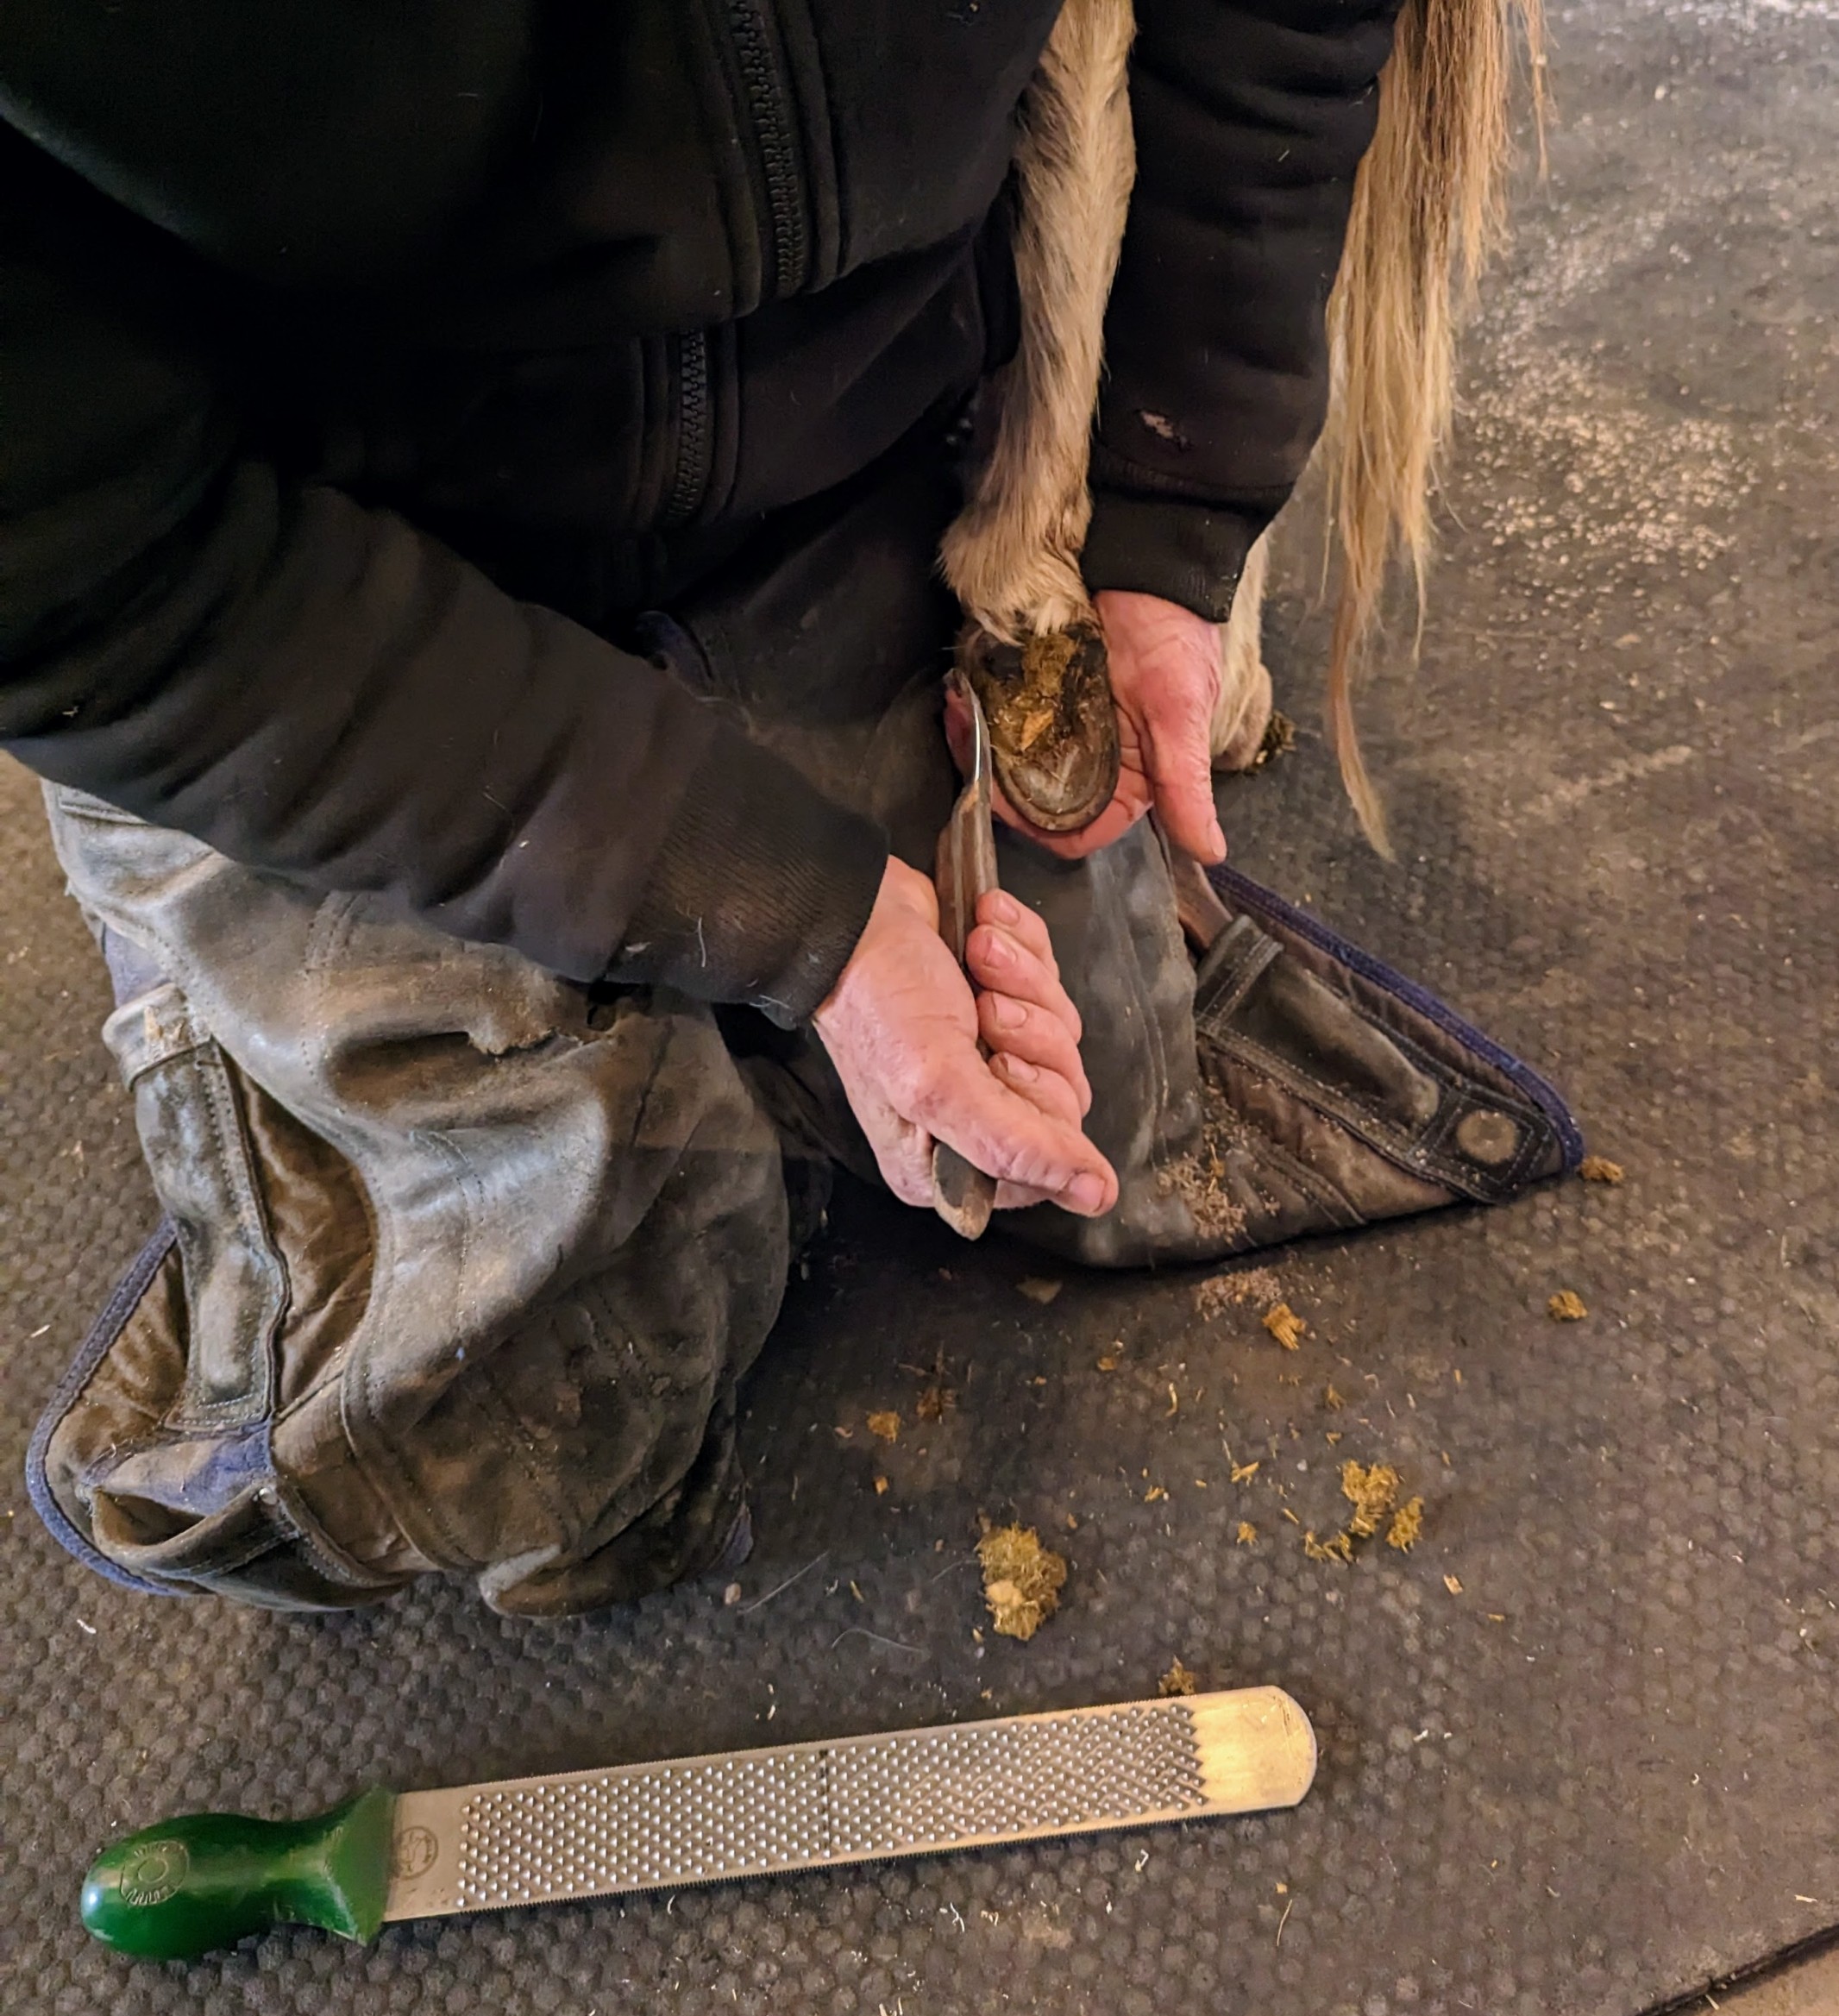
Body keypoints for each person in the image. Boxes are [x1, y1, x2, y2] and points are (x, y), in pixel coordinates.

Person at [1, 0, 1572, 1617]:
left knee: (1087, 1082)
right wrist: (790, 915)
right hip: (332, 618)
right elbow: (75, 576)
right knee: (537, 1391)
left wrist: (1162, 510)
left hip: (863, 470)